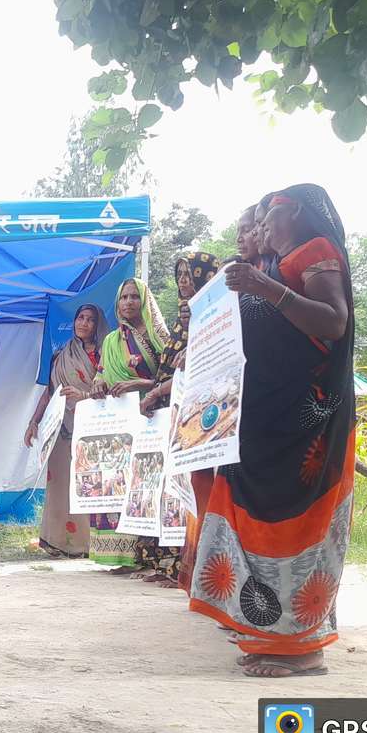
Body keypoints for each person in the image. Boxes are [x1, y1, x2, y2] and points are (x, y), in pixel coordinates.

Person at [196, 184, 356, 678]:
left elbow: (333, 322)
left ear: (300, 211)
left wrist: (264, 289)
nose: (263, 222)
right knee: (255, 525)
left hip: (302, 428)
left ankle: (303, 649)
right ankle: (267, 637)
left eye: (271, 212)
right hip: (264, 423)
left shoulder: (315, 252)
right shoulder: (271, 265)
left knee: (296, 528)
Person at [139, 251, 221, 588]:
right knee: (168, 491)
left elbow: (201, 367)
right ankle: (169, 566)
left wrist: (158, 391)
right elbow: (170, 367)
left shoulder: (216, 317)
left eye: (190, 274)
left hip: (202, 419)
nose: (184, 281)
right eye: (180, 275)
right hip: (172, 415)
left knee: (191, 493)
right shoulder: (181, 320)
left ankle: (189, 571)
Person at [88, 277, 170, 570]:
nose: (128, 302)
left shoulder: (161, 336)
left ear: (145, 301)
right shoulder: (111, 341)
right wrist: (98, 384)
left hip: (153, 420)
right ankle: (122, 555)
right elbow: (101, 374)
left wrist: (142, 384)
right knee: (120, 483)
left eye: (135, 296)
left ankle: (154, 558)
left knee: (148, 487)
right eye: (123, 297)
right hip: (120, 425)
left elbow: (173, 377)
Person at [24, 303, 110, 557]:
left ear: (98, 325)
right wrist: (34, 422)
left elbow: (110, 391)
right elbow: (49, 393)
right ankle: (57, 541)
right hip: (61, 430)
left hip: (92, 428)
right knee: (60, 483)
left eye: (90, 319)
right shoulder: (60, 355)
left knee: (90, 483)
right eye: (80, 318)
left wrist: (84, 395)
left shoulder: (105, 355)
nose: (84, 323)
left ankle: (88, 544)